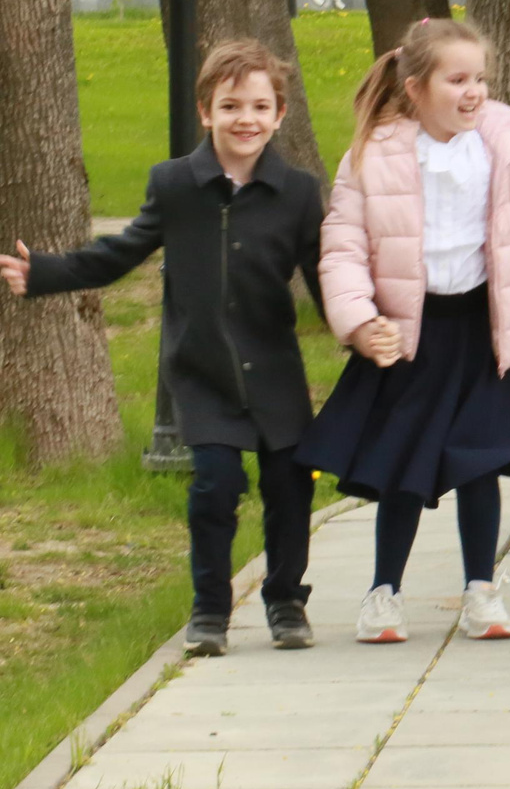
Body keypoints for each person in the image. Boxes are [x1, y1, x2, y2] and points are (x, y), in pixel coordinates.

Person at [2, 41, 324, 658]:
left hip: (275, 370)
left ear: (280, 114)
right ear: (206, 112)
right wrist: (44, 272)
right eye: (231, 106)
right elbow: (120, 252)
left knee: (290, 485)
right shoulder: (176, 184)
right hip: (201, 372)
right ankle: (209, 612)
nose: (246, 119)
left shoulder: (299, 193)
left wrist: (368, 328)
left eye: (260, 106)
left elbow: (325, 278)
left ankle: (285, 600)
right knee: (214, 485)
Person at [302, 19, 510, 646]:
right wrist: (358, 321)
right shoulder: (372, 156)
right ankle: (383, 593)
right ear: (415, 88)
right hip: (409, 336)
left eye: (481, 79)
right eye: (457, 79)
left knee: (479, 463)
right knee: (403, 468)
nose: (474, 92)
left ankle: (480, 591)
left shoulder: (506, 147)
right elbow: (343, 248)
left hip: (477, 331)